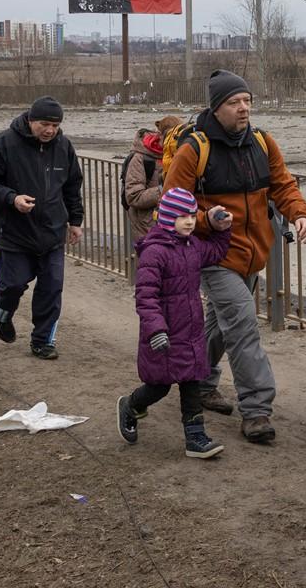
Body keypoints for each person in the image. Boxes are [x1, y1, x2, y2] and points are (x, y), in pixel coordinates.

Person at [163, 69, 306, 443]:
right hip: (213, 256)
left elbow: (282, 184)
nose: (244, 108)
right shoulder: (193, 151)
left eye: (247, 100)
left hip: (253, 253)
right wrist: (206, 220)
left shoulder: (262, 142)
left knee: (219, 327)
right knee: (244, 326)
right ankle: (257, 410)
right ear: (217, 108)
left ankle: (195, 381)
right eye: (235, 102)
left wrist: (300, 213)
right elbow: (170, 211)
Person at [117, 188, 233, 458]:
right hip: (164, 335)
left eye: (192, 215)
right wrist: (156, 329)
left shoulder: (192, 247)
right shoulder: (154, 252)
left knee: (192, 382)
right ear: (168, 217)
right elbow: (145, 296)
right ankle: (131, 405)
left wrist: (222, 228)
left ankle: (195, 438)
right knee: (159, 386)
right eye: (183, 216)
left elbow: (215, 251)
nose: (190, 221)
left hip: (191, 333)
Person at [0, 96, 84, 360]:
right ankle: (2, 312)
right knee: (12, 284)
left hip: (52, 232)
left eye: (55, 125)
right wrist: (12, 198)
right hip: (16, 232)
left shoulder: (64, 147)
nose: (50, 130)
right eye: (45, 124)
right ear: (31, 120)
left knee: (52, 287)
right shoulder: (5, 143)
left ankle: (42, 340)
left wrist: (76, 221)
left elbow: (72, 186)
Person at [123, 116, 184, 242]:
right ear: (161, 135)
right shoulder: (141, 158)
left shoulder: (180, 155)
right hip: (148, 227)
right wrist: (165, 188)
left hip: (175, 226)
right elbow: (133, 196)